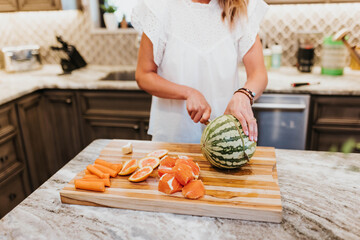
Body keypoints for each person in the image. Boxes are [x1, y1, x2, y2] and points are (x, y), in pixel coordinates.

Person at [132, 0, 269, 143]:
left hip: (227, 138)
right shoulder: (159, 8)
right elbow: (144, 75)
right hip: (174, 136)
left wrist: (244, 95)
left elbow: (258, 74)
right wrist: (188, 93)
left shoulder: (242, 7)